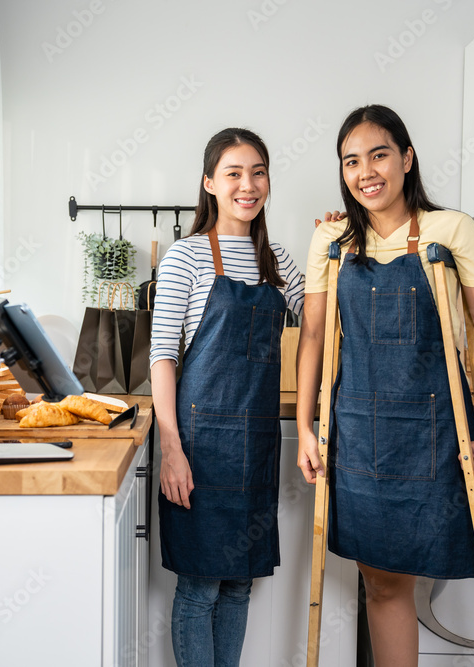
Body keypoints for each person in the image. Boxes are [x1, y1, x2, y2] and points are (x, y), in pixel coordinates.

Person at [295, 105, 474, 666]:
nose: (366, 171)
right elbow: (314, 336)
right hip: (360, 433)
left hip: (437, 433)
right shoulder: (331, 240)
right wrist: (303, 427)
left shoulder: (454, 230)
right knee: (381, 584)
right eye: (351, 161)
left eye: (379, 154)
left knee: (413, 575)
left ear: (407, 158)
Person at [151, 127, 305, 667]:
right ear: (209, 183)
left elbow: (324, 320)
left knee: (238, 585)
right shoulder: (185, 258)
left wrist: (335, 250)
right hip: (197, 444)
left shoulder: (279, 261)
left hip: (255, 444)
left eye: (258, 172)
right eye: (234, 173)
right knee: (200, 588)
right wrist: (171, 447)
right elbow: (162, 357)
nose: (248, 184)